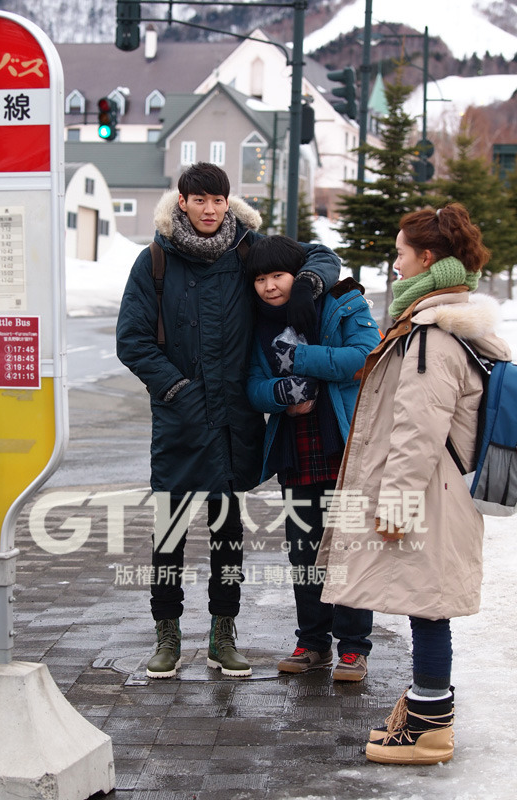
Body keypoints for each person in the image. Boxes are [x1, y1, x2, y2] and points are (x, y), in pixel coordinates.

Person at [116, 163, 341, 679]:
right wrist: (176, 389)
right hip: (178, 418)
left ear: (227, 201)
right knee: (168, 532)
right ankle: (167, 635)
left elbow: (322, 257)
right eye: (200, 201)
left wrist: (307, 281)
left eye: (218, 200)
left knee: (227, 532)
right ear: (183, 201)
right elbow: (132, 340)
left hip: (236, 419)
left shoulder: (247, 250)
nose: (211, 210)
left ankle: (223, 633)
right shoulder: (154, 261)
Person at [317, 203, 512, 763]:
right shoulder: (451, 330)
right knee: (425, 599)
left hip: (427, 493)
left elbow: (416, 430)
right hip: (443, 491)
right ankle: (429, 711)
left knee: (427, 602)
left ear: (427, 259)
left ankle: (429, 722)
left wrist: (396, 502)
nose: (395, 262)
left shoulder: (431, 339)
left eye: (401, 252)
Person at [245, 235, 381, 680]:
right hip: (296, 451)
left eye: (276, 275)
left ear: (299, 275)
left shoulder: (343, 302)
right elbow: (252, 384)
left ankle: (354, 647)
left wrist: (300, 358)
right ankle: (312, 641)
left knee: (348, 548)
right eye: (260, 278)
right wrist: (280, 394)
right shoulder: (258, 322)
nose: (268, 286)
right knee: (304, 553)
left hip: (344, 446)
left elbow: (365, 357)